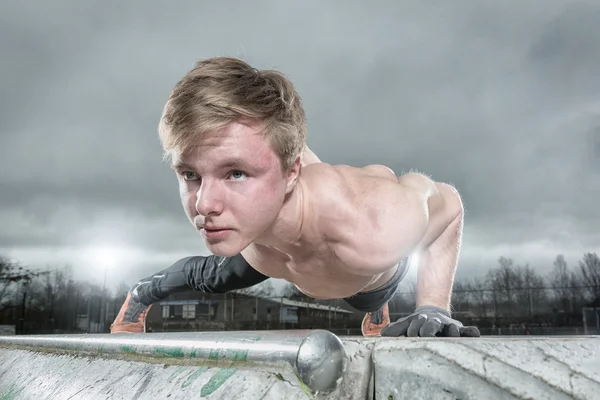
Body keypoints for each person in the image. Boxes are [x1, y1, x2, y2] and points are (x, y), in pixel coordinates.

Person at [110, 57, 480, 338]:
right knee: (213, 274)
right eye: (190, 175)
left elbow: (448, 206)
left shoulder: (372, 229)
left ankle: (378, 308)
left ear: (292, 173)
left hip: (361, 276)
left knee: (365, 297)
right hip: (274, 241)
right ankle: (143, 292)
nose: (203, 206)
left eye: (235, 173)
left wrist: (433, 306)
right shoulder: (252, 216)